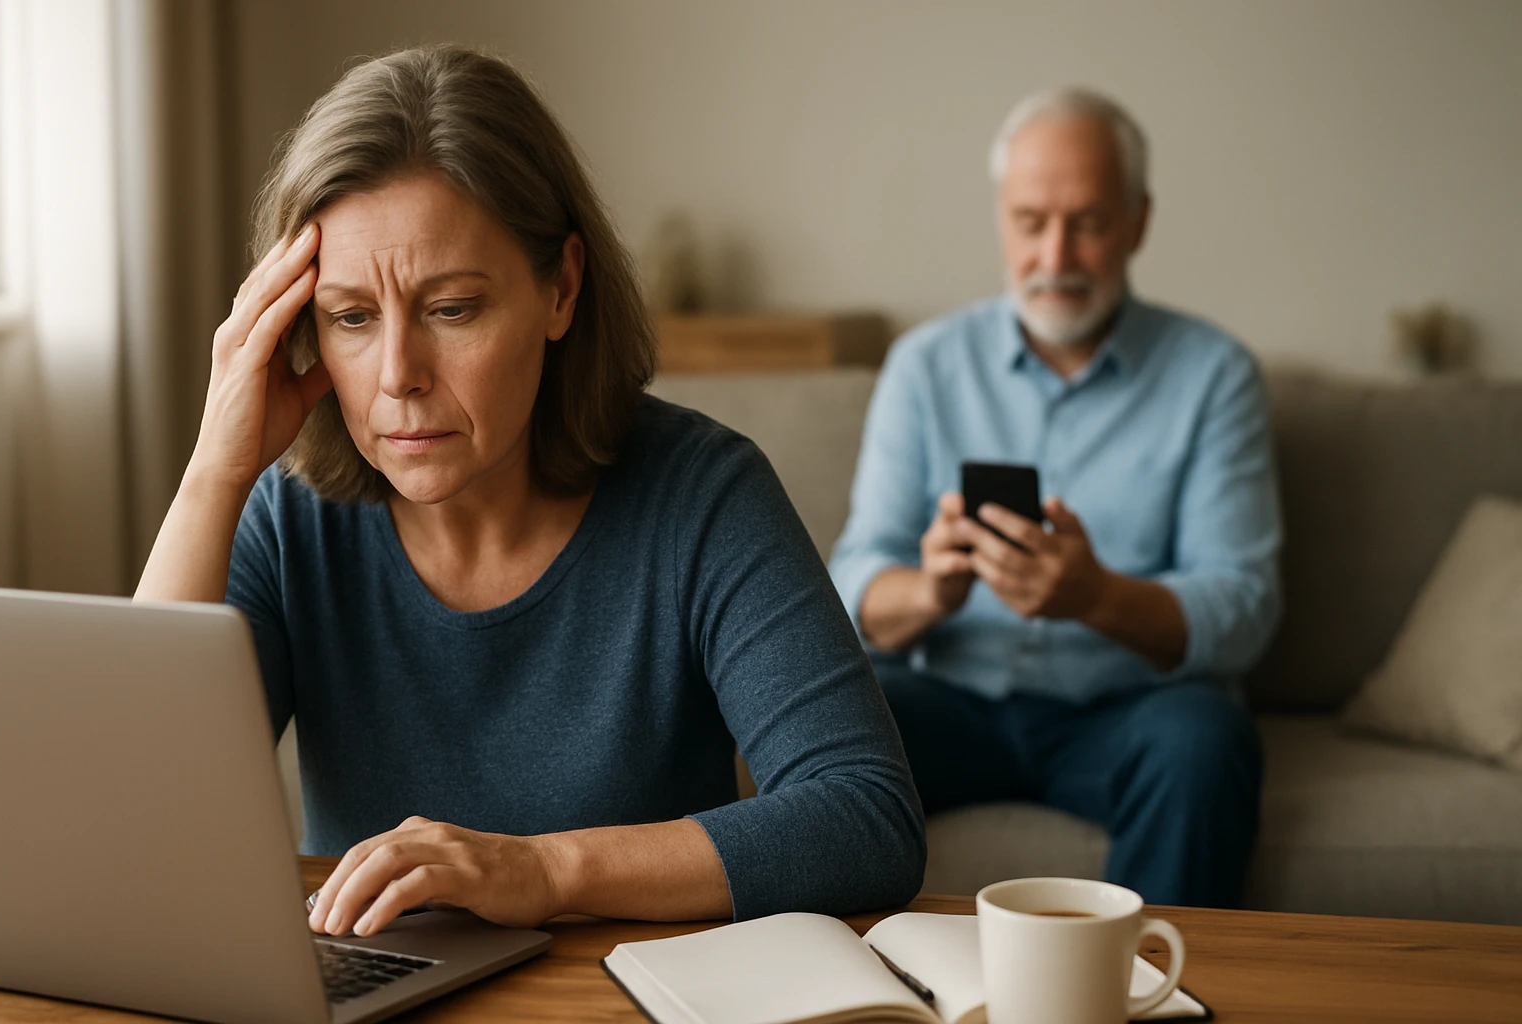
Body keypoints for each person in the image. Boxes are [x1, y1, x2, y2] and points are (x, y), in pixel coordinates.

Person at [136, 45, 924, 937]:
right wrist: (215, 473)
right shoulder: (288, 518)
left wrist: (545, 868)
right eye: (351, 318)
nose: (398, 375)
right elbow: (129, 819)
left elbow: (866, 817)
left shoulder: (703, 495)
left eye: (451, 309)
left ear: (561, 289)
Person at [828, 88, 1281, 908]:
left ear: (1139, 222)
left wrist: (1098, 597)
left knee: (1208, 743)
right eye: (1031, 221)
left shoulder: (1214, 375)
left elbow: (1243, 607)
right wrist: (930, 590)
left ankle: (1151, 991)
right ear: (1001, 218)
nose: (1055, 254)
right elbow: (854, 576)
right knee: (825, 728)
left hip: (1129, 709)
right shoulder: (924, 366)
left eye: (1089, 222)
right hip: (947, 697)